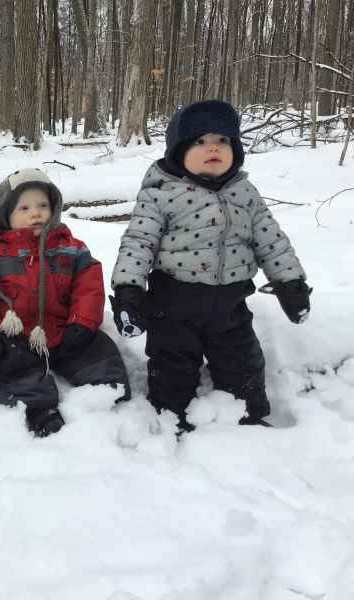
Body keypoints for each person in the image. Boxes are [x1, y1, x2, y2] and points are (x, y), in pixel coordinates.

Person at [109, 99, 311, 432]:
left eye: (222, 141)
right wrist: (129, 290)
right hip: (173, 306)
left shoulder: (245, 193)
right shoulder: (161, 193)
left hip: (230, 307)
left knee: (243, 364)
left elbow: (271, 240)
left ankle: (249, 418)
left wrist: (291, 283)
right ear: (179, 151)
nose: (213, 148)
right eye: (200, 142)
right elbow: (138, 242)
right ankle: (172, 420)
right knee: (172, 366)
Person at [0, 168, 129, 437]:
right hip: (15, 335)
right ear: (5, 215)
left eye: (43, 205)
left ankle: (108, 394)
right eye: (25, 208)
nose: (36, 213)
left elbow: (88, 286)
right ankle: (38, 409)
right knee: (11, 365)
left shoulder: (70, 246)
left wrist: (83, 323)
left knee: (98, 350)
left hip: (64, 330)